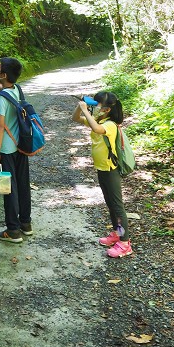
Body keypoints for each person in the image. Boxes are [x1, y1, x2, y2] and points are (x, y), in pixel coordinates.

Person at [73, 91, 133, 258]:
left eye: (97, 105)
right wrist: (80, 108)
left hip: (110, 170)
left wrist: (86, 110)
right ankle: (117, 233)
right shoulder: (100, 119)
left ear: (106, 110)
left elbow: (97, 128)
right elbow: (76, 119)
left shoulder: (110, 125)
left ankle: (125, 242)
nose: (94, 108)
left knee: (117, 206)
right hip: (102, 169)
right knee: (110, 204)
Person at [0, 57, 32, 243]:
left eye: (0, 67)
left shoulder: (1, 99)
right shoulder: (16, 90)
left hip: (7, 149)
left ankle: (12, 230)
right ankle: (25, 223)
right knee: (22, 184)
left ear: (4, 74)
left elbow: (0, 127)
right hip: (21, 146)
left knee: (7, 189)